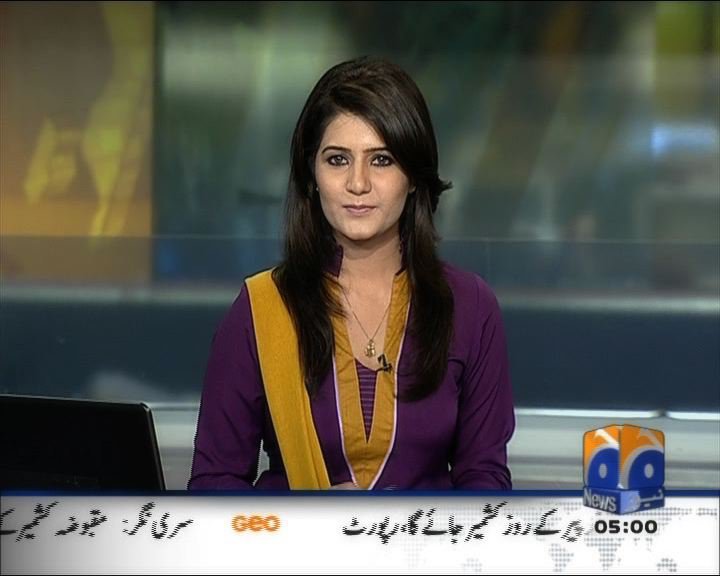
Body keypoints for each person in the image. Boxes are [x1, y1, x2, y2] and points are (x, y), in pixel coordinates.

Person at [188, 56, 515, 490]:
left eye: (382, 160)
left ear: (413, 177)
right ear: (311, 175)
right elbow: (214, 484)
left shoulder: (470, 307)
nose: (357, 184)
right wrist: (311, 519)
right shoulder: (261, 309)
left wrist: (409, 523)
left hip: (430, 536)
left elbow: (484, 479)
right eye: (338, 159)